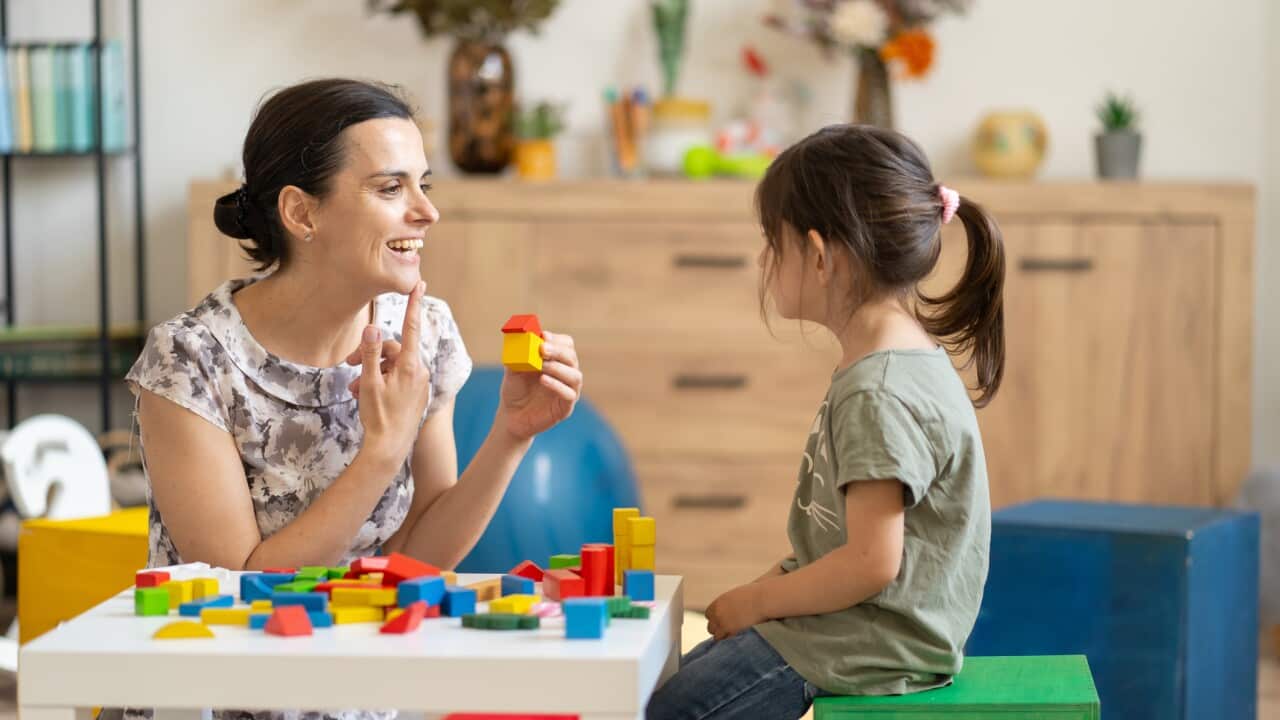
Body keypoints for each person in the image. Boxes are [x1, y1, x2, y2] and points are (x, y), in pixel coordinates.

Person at [120, 78, 583, 720]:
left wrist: (512, 433)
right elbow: (244, 592)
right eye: (391, 188)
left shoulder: (424, 333)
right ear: (302, 213)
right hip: (219, 700)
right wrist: (381, 450)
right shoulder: (191, 361)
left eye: (425, 185)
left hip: (358, 698)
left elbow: (415, 560)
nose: (426, 211)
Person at [646, 123, 1004, 719]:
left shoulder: (878, 389)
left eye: (772, 242)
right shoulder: (895, 360)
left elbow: (871, 563)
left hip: (865, 645)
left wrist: (759, 601)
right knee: (674, 680)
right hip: (849, 630)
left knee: (671, 711)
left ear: (817, 256)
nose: (764, 258)